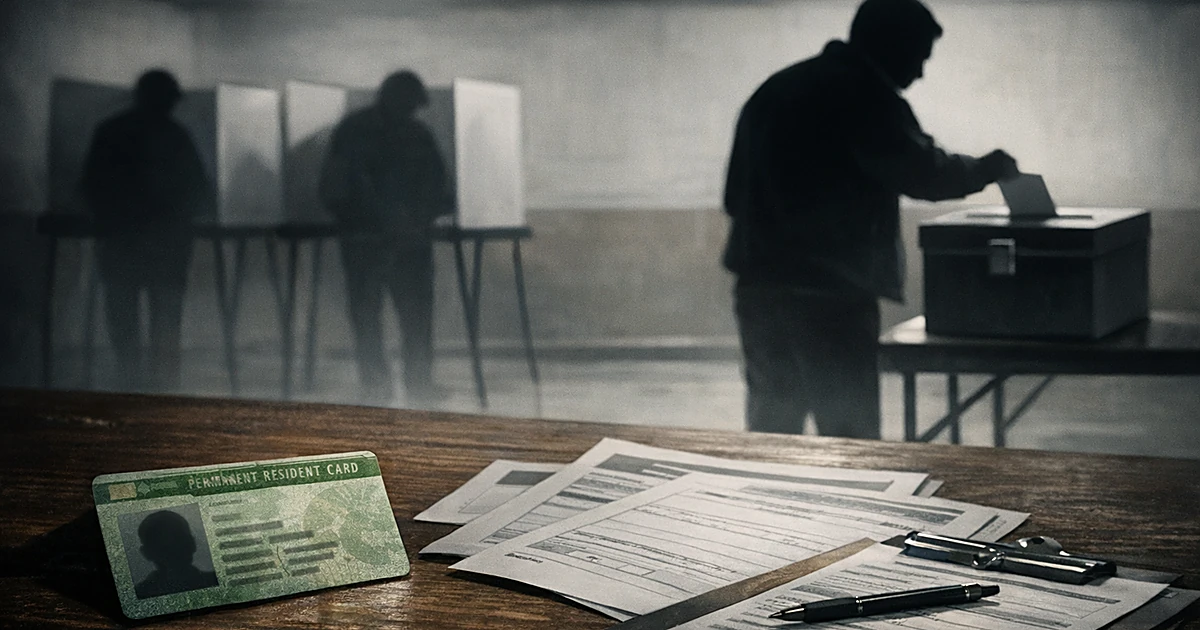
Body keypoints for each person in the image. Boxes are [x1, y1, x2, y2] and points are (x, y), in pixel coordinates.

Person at [722, 0, 1019, 438]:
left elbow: (734, 197)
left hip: (760, 291)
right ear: (891, 45)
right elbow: (922, 171)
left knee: (771, 430)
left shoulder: (775, 90)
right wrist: (986, 169)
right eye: (918, 57)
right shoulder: (863, 94)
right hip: (832, 297)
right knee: (850, 440)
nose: (919, 73)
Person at [319, 70, 453, 406]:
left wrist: (395, 219)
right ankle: (404, 384)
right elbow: (440, 191)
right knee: (403, 314)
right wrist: (413, 219)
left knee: (383, 314)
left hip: (375, 240)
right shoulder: (409, 133)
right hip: (389, 239)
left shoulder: (356, 130)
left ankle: (388, 384)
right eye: (409, 104)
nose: (411, 111)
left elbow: (334, 190)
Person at [81, 69, 214, 393]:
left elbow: (90, 186)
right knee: (166, 319)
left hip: (121, 241)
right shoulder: (176, 135)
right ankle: (164, 389)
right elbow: (200, 192)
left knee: (123, 316)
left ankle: (129, 384)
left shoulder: (111, 131)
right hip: (167, 245)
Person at [133, 510, 218, 599]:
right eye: (165, 545)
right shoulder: (213, 580)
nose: (176, 549)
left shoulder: (141, 593)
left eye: (179, 540)